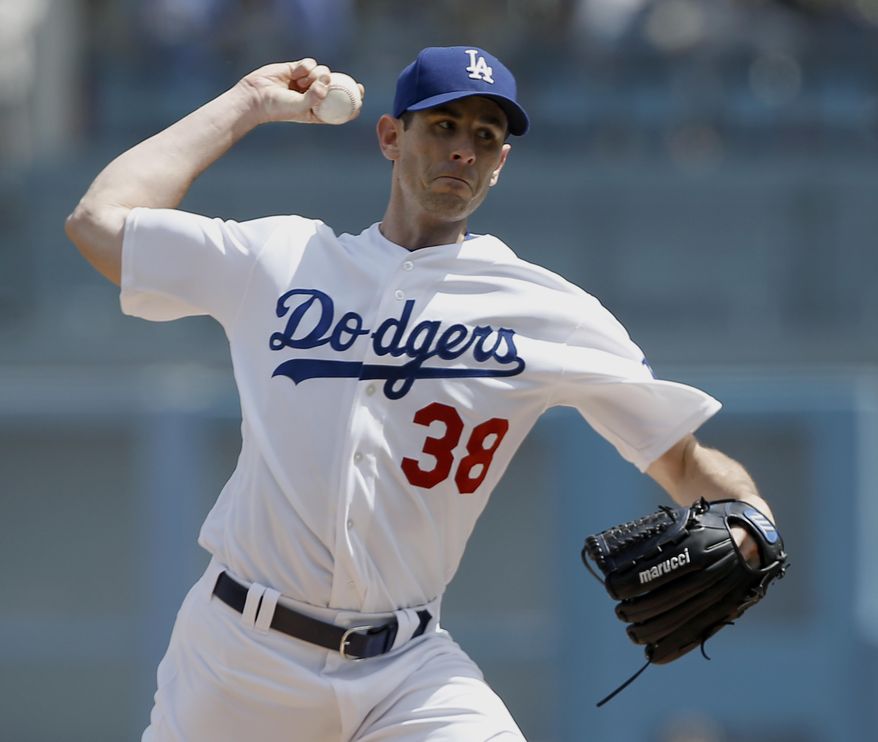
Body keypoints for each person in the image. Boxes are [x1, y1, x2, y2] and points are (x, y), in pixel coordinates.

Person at [65, 46, 774, 741]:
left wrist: (753, 522)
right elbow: (98, 223)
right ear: (390, 136)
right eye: (443, 125)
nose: (463, 148)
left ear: (500, 163)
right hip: (239, 661)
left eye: (485, 135)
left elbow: (681, 460)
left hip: (406, 670)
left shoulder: (545, 309)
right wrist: (246, 104)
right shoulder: (283, 259)